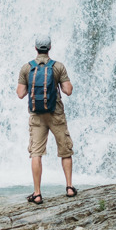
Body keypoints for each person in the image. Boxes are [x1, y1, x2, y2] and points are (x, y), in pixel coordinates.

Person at [16, 34, 76, 204]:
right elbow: (68, 90)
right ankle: (70, 187)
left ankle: (37, 193)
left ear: (35, 48)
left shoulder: (27, 68)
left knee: (36, 153)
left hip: (36, 116)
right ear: (50, 48)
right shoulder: (58, 67)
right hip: (56, 113)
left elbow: (20, 94)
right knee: (65, 150)